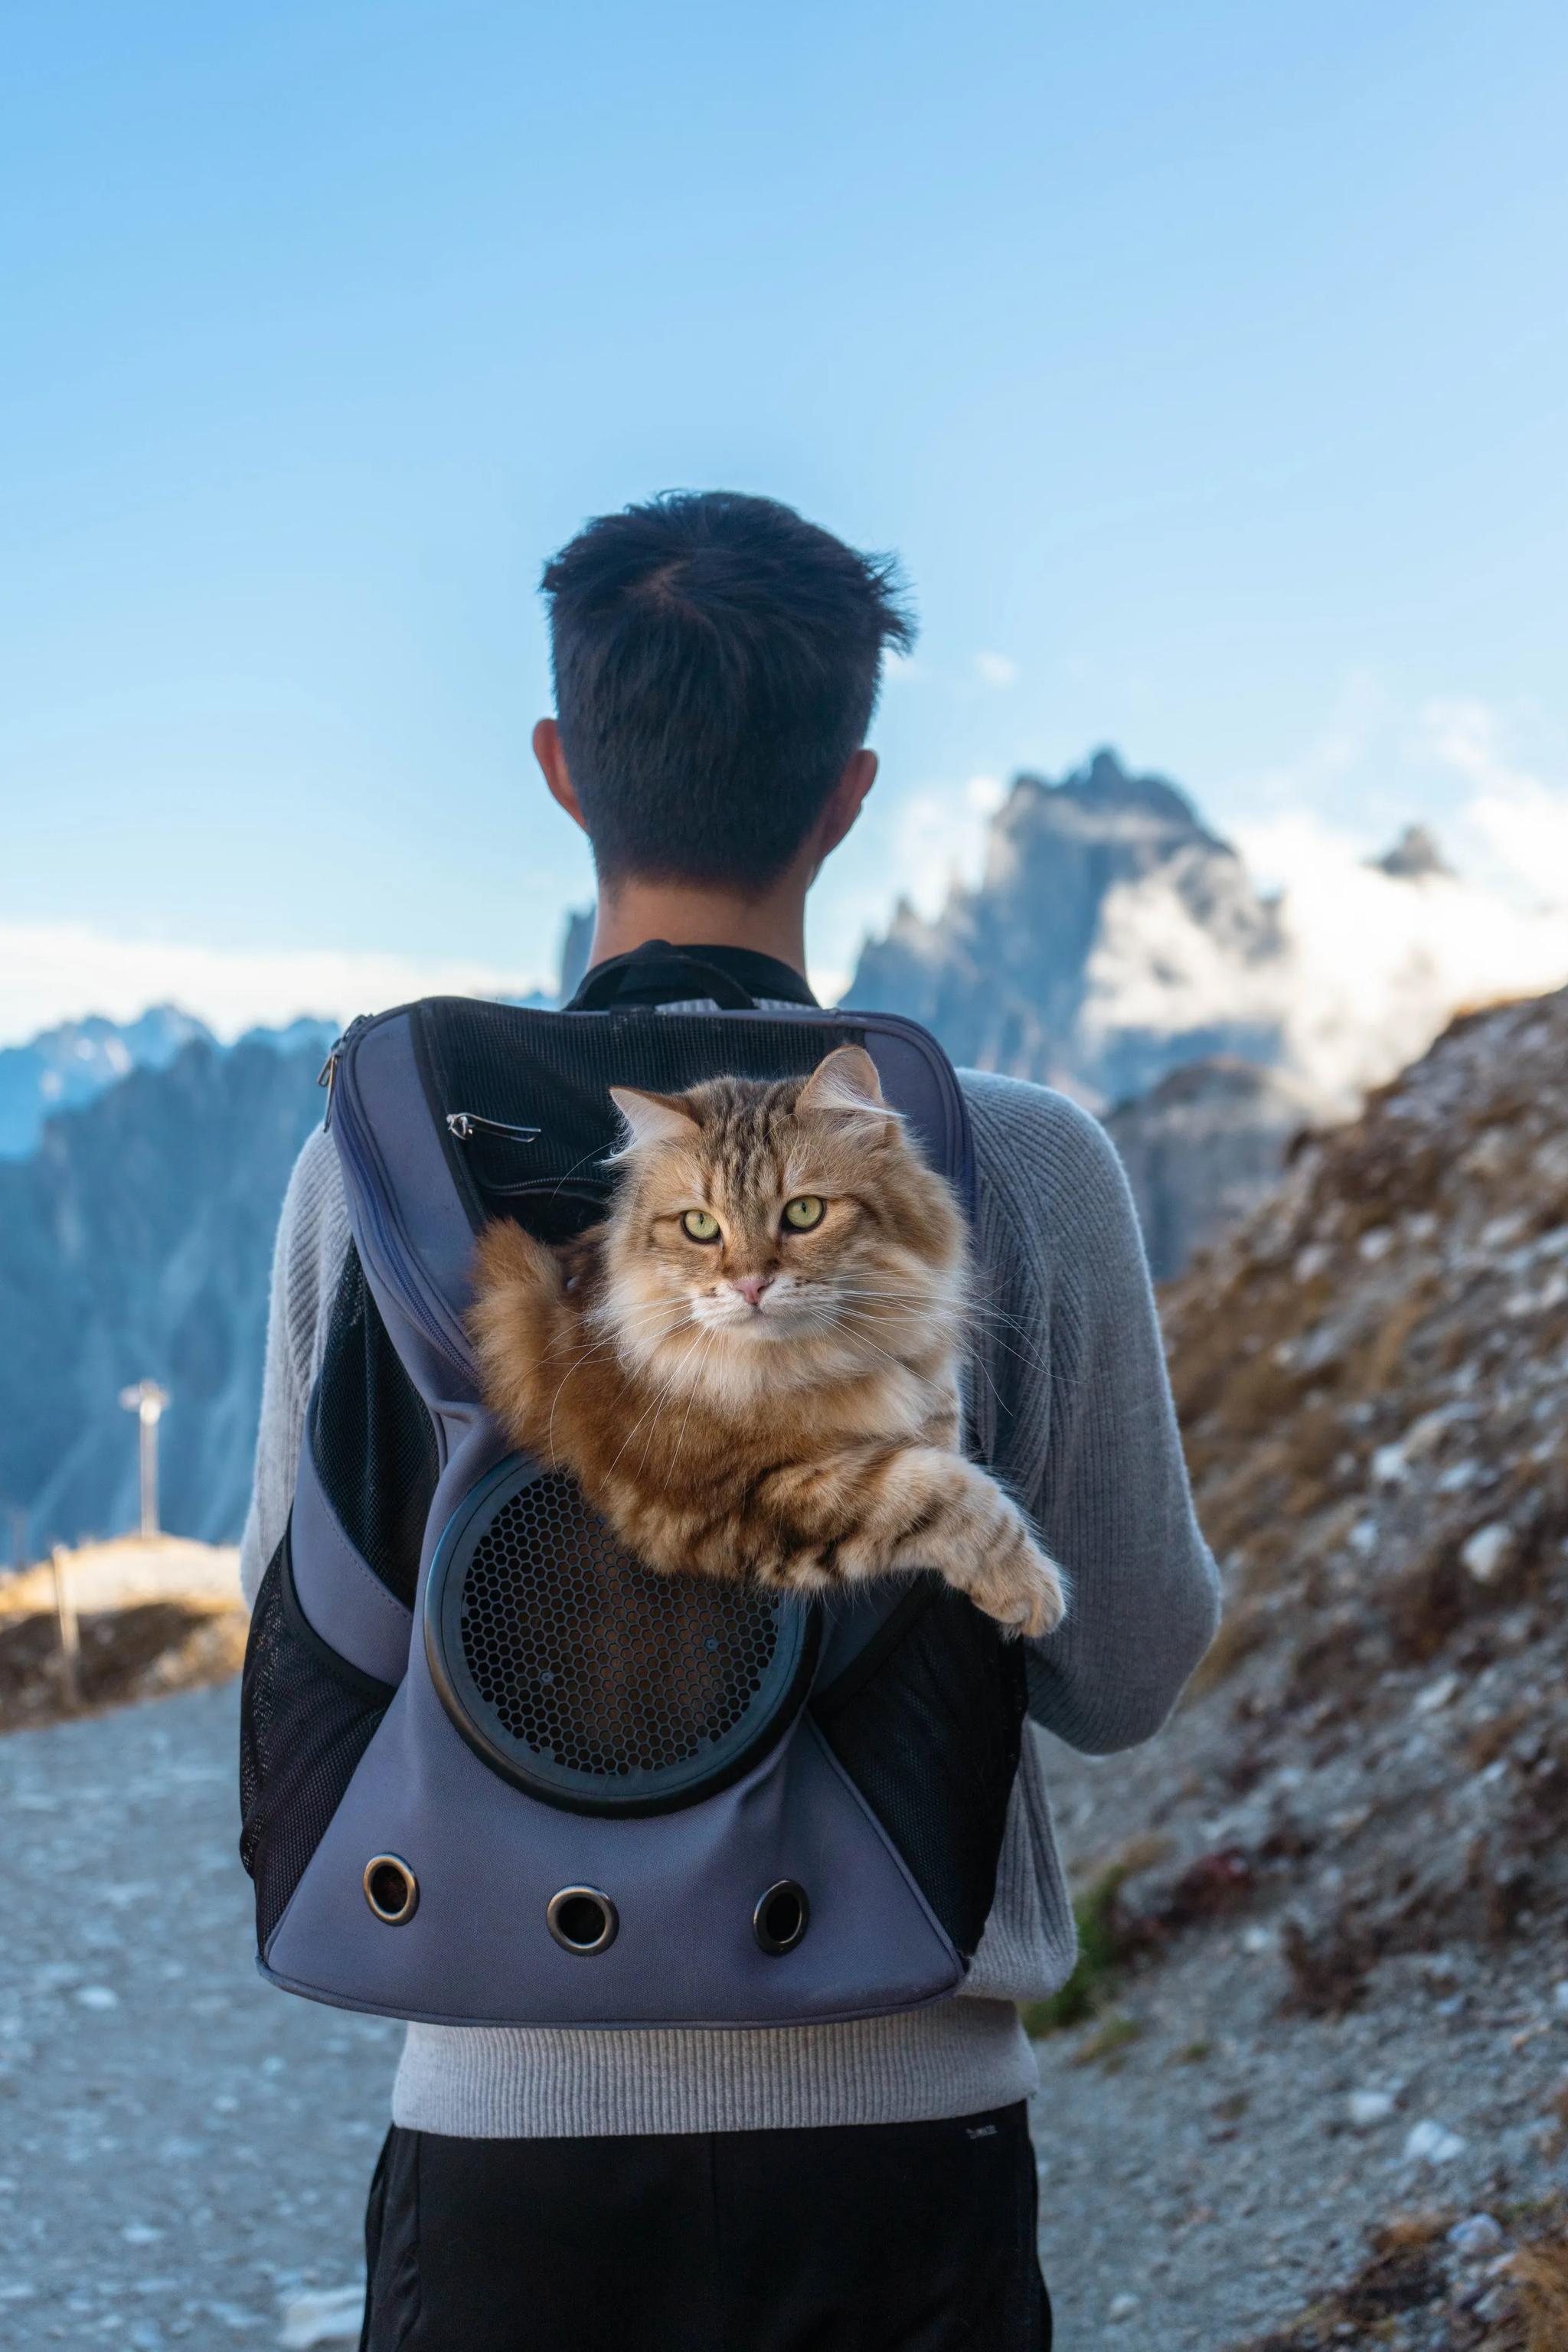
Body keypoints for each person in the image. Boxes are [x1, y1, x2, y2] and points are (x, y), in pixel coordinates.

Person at [242, 490, 1220, 2351]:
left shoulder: (365, 1171)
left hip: (499, 2130)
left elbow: (312, 1620)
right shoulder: (1011, 1160)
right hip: (901, 2124)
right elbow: (1126, 1672)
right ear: (847, 791)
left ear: (559, 768)